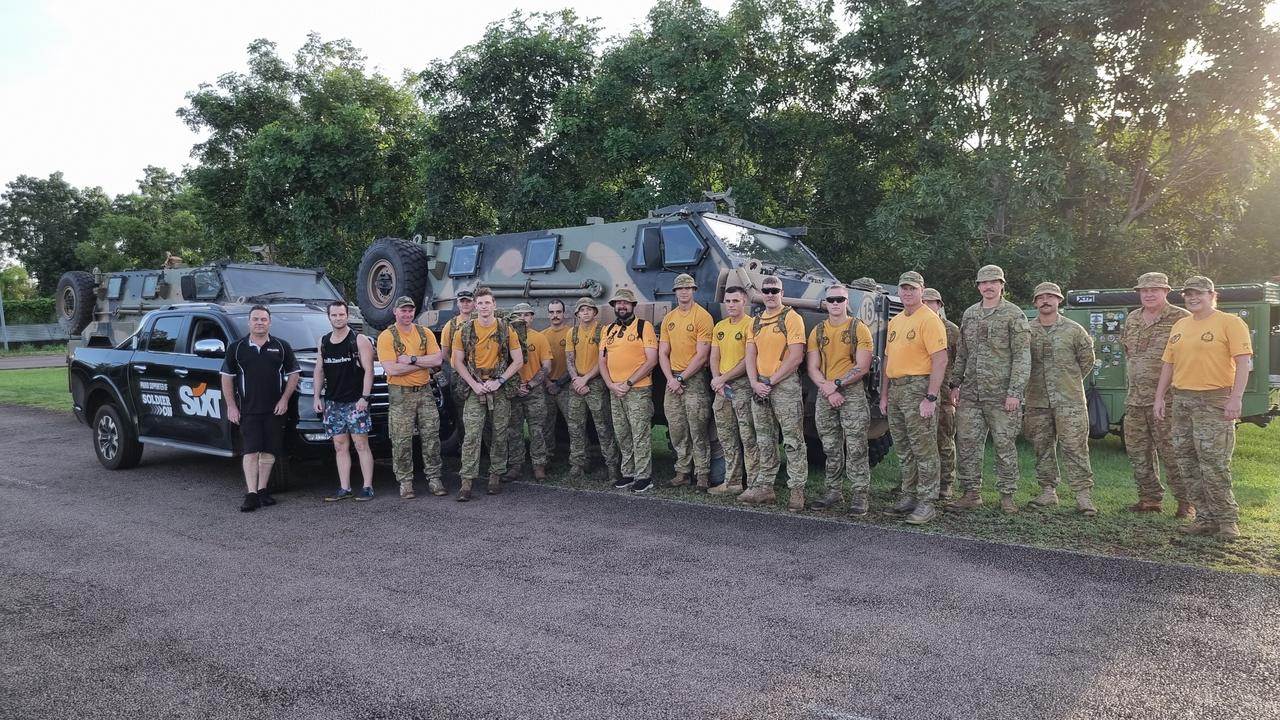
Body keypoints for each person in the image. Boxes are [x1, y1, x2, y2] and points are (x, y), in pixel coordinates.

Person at [1154, 276, 1252, 542]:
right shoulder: (1181, 324)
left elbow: (1243, 363)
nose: (1192, 298)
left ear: (1212, 295)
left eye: (1198, 293)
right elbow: (1168, 365)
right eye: (1188, 294)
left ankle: (1227, 522)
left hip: (1214, 399)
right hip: (1182, 400)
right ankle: (1204, 518)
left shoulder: (1230, 323)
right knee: (1187, 462)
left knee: (1214, 464)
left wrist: (1236, 398)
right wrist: (1159, 397)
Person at [948, 264, 1031, 514]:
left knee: (1005, 446)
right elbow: (962, 352)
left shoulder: (1014, 315)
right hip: (972, 393)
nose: (988, 286)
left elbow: (1022, 356)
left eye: (993, 282)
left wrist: (1015, 392)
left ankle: (1007, 496)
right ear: (978, 286)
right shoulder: (970, 314)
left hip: (1001, 394)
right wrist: (955, 384)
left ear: (1002, 285)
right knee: (967, 444)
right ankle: (971, 493)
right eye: (983, 283)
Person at [1120, 272, 1193, 516]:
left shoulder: (1181, 318)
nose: (1148, 294)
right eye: (1144, 290)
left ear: (1166, 292)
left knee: (1173, 452)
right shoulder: (1132, 318)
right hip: (1135, 400)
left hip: (1168, 401)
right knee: (1138, 453)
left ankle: (1186, 502)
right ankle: (1149, 499)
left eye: (1154, 289)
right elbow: (1130, 354)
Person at [1022, 282, 1098, 516]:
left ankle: (1083, 497)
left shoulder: (1074, 330)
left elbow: (1087, 360)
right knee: (1042, 448)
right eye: (1041, 297)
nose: (1045, 301)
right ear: (1035, 303)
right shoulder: (1026, 331)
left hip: (1069, 401)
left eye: (1050, 297)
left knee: (1075, 448)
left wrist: (1068, 381)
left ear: (1059, 300)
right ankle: (1047, 492)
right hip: (1036, 400)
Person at [879, 272, 949, 524]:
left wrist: (930, 396)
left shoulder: (929, 320)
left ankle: (927, 502)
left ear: (922, 290)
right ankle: (909, 495)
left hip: (919, 387)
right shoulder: (897, 321)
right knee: (904, 448)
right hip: (897, 389)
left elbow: (940, 359)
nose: (907, 293)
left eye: (912, 289)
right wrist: (884, 394)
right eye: (904, 288)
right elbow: (888, 359)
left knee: (924, 449)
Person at [219, 305, 300, 512]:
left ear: (270, 322)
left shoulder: (281, 347)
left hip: (275, 410)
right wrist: (231, 407)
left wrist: (284, 400)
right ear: (249, 322)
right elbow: (227, 378)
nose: (259, 323)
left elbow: (294, 375)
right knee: (250, 451)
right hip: (248, 410)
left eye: (263, 319)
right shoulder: (237, 348)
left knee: (269, 451)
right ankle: (251, 494)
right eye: (255, 319)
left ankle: (263, 490)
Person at [739, 276, 808, 511]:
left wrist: (771, 381)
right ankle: (764, 487)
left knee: (792, 439)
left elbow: (796, 356)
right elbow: (750, 354)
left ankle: (797, 490)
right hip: (759, 385)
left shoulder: (792, 318)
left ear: (782, 292)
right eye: (766, 291)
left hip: (784, 385)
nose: (770, 294)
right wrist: (755, 382)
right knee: (764, 439)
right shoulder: (756, 321)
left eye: (774, 290)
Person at [806, 283, 874, 514]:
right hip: (826, 392)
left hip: (851, 393)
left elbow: (862, 366)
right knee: (830, 447)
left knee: (856, 447)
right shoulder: (819, 330)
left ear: (847, 302)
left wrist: (836, 385)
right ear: (825, 303)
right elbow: (812, 366)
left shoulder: (858, 328)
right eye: (831, 300)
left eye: (840, 299)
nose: (835, 303)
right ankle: (833, 491)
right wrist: (827, 388)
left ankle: (859, 495)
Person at [452, 287, 524, 501]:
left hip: (498, 387)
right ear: (475, 306)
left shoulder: (505, 329)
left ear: (494, 305)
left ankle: (495, 475)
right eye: (480, 303)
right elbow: (457, 362)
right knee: (472, 435)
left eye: (487, 303)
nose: (484, 306)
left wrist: (499, 381)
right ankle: (466, 482)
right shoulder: (464, 330)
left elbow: (518, 360)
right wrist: (474, 384)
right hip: (475, 388)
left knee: (500, 433)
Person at [376, 296, 444, 499]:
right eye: (403, 310)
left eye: (410, 310)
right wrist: (423, 363)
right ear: (395, 311)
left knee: (431, 436)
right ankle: (405, 482)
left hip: (424, 391)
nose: (407, 314)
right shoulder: (387, 336)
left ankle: (434, 478)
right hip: (400, 393)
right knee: (401, 439)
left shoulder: (425, 333)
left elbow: (438, 359)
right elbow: (391, 368)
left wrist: (412, 359)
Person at [313, 300, 375, 502]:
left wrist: (364, 397)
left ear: (347, 315)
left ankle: (367, 486)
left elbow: (369, 370)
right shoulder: (323, 341)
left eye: (341, 315)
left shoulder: (358, 340)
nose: (338, 318)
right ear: (328, 317)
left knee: (361, 444)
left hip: (355, 402)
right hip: (333, 402)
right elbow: (319, 371)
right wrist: (317, 397)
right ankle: (344, 487)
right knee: (340, 445)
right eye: (334, 315)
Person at [658, 273, 715, 490]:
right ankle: (682, 472)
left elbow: (702, 355)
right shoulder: (669, 318)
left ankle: (702, 474)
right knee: (677, 428)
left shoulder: (702, 317)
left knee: (697, 427)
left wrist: (681, 377)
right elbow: (663, 352)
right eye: (680, 289)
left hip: (694, 379)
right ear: (675, 292)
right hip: (672, 378)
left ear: (694, 290)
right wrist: (671, 379)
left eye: (688, 288)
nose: (683, 292)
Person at [599, 288, 659, 492]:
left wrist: (629, 383)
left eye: (625, 303)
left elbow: (651, 360)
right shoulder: (607, 330)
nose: (621, 306)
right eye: (618, 303)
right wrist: (610, 384)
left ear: (633, 306)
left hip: (637, 390)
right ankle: (628, 473)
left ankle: (644, 476)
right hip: (615, 390)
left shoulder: (644, 327)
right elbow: (602, 361)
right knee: (622, 433)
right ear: (614, 306)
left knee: (639, 433)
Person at [566, 297, 621, 482]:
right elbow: (569, 359)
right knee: (575, 426)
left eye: (589, 309)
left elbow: (602, 360)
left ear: (595, 312)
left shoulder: (603, 331)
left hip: (595, 382)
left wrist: (585, 379)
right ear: (577, 314)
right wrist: (576, 379)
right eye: (582, 310)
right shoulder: (572, 333)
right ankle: (578, 463)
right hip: (576, 383)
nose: (586, 313)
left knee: (603, 426)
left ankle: (612, 465)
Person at [708, 286, 757, 496]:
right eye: (728, 301)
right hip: (722, 388)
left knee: (748, 436)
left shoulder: (752, 325)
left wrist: (723, 378)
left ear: (744, 302)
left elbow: (749, 360)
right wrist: (717, 380)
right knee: (726, 436)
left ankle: (754, 484)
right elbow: (714, 356)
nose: (731, 305)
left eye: (735, 301)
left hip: (742, 386)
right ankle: (732, 482)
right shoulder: (720, 326)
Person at [506, 303, 551, 481]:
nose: (523, 318)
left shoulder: (540, 338)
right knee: (513, 430)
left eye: (527, 315)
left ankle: (539, 465)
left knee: (537, 430)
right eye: (518, 315)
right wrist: (515, 386)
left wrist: (531, 384)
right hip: (513, 390)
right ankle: (515, 465)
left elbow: (546, 366)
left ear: (532, 317)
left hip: (534, 392)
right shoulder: (506, 338)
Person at [922, 288, 960, 499]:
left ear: (940, 305)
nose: (928, 306)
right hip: (918, 391)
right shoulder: (915, 326)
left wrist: (956, 386)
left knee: (944, 440)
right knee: (918, 441)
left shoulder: (951, 331)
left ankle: (946, 483)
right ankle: (918, 481)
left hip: (944, 393)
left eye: (933, 302)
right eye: (924, 302)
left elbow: (961, 360)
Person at [541, 299, 572, 457]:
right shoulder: (542, 336)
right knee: (546, 424)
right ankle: (547, 456)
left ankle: (581, 458)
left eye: (558, 312)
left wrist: (559, 383)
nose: (555, 315)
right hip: (547, 387)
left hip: (565, 386)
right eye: (552, 312)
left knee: (574, 424)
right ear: (548, 315)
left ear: (564, 313)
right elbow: (540, 364)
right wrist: (548, 383)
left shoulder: (571, 333)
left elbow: (574, 363)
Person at [439, 288, 476, 413]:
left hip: (481, 372)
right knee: (460, 411)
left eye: (468, 301)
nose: (465, 304)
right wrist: (457, 367)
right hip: (458, 376)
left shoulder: (481, 322)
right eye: (462, 301)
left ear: (474, 303)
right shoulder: (451, 325)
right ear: (458, 303)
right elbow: (444, 353)